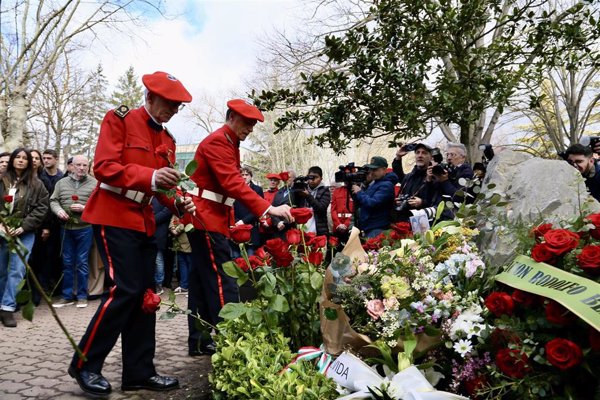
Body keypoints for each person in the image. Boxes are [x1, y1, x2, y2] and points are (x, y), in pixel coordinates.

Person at [68, 71, 196, 396]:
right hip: (113, 214)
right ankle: (85, 364)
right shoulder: (120, 119)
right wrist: (153, 177)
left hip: (144, 219)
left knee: (144, 297)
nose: (172, 110)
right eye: (168, 104)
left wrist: (180, 203)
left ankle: (139, 372)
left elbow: (163, 185)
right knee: (124, 290)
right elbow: (105, 167)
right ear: (150, 97)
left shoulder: (168, 139)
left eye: (177, 106)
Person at [187, 99, 293, 356]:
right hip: (206, 217)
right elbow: (233, 183)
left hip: (212, 216)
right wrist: (268, 209)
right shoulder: (218, 141)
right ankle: (232, 340)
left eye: (253, 124)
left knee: (202, 283)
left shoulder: (228, 142)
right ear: (232, 117)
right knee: (222, 280)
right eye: (247, 123)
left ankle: (200, 340)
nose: (251, 129)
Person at [0, 148, 49, 327]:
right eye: (17, 157)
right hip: (1, 232)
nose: (20, 160)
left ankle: (7, 307)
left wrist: (23, 227)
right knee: (1, 270)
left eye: (24, 158)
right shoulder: (2, 180)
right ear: (12, 160)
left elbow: (42, 208)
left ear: (29, 162)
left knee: (17, 270)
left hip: (24, 233)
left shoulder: (37, 184)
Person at [50, 155, 97, 309]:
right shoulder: (61, 183)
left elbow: (100, 205)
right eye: (78, 165)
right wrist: (58, 211)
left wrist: (85, 209)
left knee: (82, 262)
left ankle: (82, 296)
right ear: (72, 166)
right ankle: (67, 296)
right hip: (65, 228)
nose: (82, 168)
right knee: (67, 262)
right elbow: (53, 200)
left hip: (85, 228)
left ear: (88, 167)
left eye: (85, 165)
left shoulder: (94, 184)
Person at [351, 156, 398, 238]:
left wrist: (359, 192)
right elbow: (362, 203)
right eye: (371, 169)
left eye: (375, 169)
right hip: (370, 227)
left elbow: (372, 203)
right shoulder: (375, 183)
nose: (372, 172)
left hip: (378, 228)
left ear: (384, 169)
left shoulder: (386, 185)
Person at [392, 143, 437, 221]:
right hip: (401, 220)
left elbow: (437, 203)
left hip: (422, 222)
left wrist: (422, 202)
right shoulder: (409, 177)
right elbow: (398, 175)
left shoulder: (436, 177)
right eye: (417, 152)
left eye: (424, 153)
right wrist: (398, 157)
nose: (420, 155)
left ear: (431, 158)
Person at [230, 167, 264, 258]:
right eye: (242, 175)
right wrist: (236, 222)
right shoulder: (234, 189)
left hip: (251, 227)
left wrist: (243, 221)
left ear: (251, 176)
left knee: (251, 258)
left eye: (246, 175)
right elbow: (232, 207)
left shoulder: (257, 190)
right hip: (237, 227)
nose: (244, 177)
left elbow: (258, 209)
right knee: (236, 258)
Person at [295, 166, 330, 236]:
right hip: (304, 227)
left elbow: (321, 208)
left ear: (321, 178)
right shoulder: (302, 188)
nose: (312, 180)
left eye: (316, 177)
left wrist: (308, 196)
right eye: (310, 177)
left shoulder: (325, 190)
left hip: (318, 229)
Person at [151, 197, 172, 295]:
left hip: (159, 233)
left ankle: (159, 285)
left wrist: (150, 220)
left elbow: (166, 213)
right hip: (149, 232)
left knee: (158, 260)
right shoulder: (151, 196)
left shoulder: (166, 197)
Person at [169, 215, 191, 295]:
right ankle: (184, 286)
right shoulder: (176, 212)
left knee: (190, 265)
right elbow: (171, 223)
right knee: (182, 264)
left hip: (188, 243)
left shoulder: (187, 210)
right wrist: (172, 229)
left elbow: (186, 221)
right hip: (178, 244)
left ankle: (192, 287)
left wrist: (177, 230)